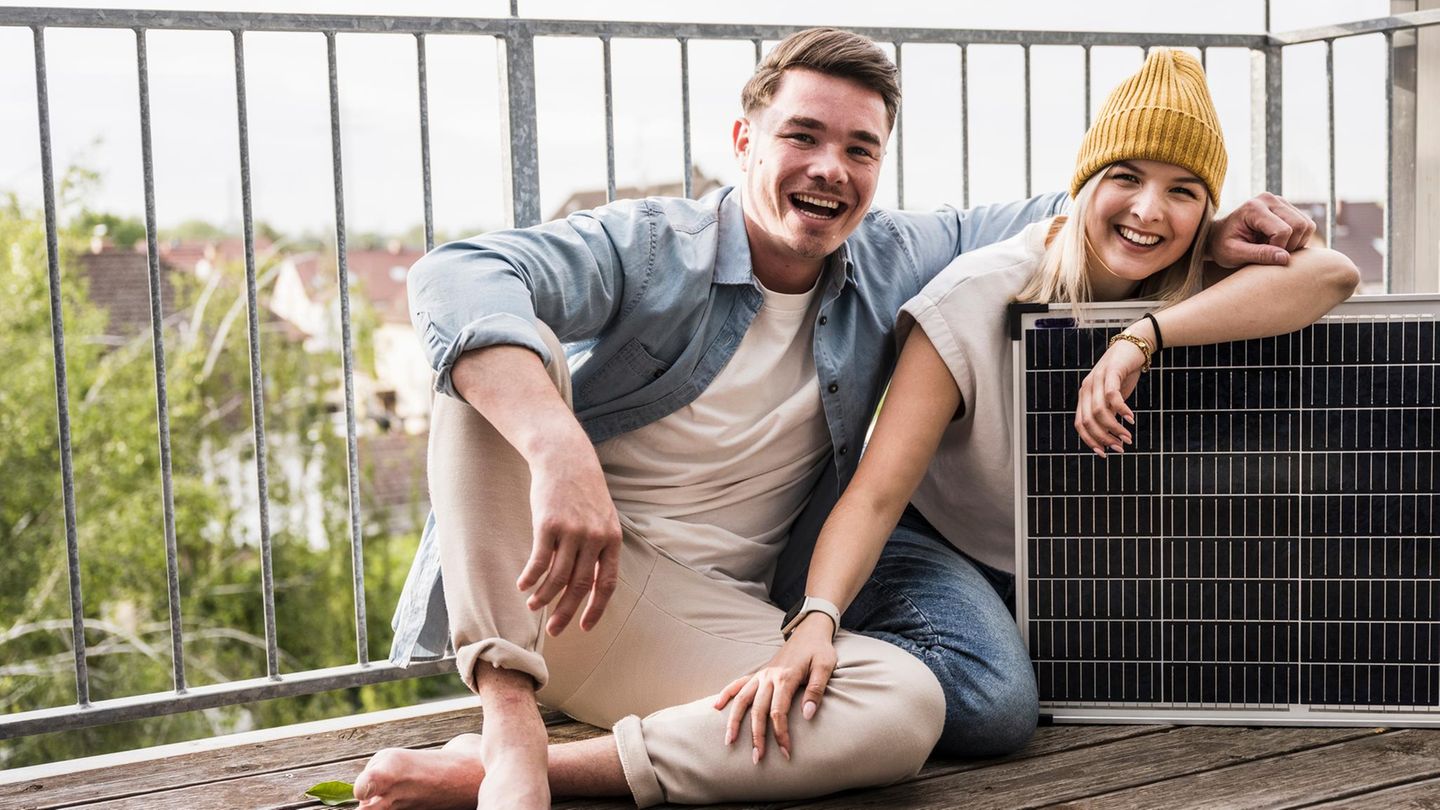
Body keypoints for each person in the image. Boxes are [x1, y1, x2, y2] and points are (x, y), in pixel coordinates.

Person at [354, 29, 1335, 809]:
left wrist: (1204, 225)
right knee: (486, 360)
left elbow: (1089, 210)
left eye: (859, 149)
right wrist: (558, 447)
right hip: (550, 586)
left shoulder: (901, 256)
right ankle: (511, 732)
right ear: (745, 140)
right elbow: (456, 273)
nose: (830, 169)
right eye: (803, 137)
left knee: (906, 708)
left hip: (699, 622)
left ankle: (532, 776)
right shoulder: (653, 246)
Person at [720, 48, 1360, 758]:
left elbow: (1332, 273)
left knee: (1224, 662)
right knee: (997, 705)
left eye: (1183, 191)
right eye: (1126, 177)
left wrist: (1140, 338)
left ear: (1208, 210)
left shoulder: (1189, 283)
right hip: (927, 544)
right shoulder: (978, 294)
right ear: (1085, 183)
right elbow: (875, 495)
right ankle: (785, 673)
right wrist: (816, 618)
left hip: (1056, 560)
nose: (1149, 210)